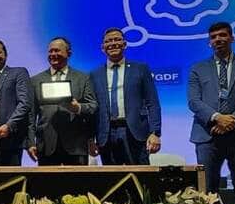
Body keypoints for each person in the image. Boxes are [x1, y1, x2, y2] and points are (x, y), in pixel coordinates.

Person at [187, 22, 235, 204]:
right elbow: (194, 101)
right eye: (213, 37)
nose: (218, 39)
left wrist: (233, 120)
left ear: (232, 38)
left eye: (222, 35)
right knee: (207, 190)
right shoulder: (198, 68)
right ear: (209, 42)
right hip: (207, 134)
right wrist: (218, 118)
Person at [90, 28, 162, 165]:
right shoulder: (94, 74)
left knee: (140, 178)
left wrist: (155, 133)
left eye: (117, 39)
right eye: (108, 41)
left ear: (124, 44)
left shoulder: (140, 69)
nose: (113, 43)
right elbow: (93, 110)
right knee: (113, 181)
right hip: (106, 134)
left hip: (135, 132)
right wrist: (90, 139)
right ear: (103, 47)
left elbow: (153, 103)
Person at [27, 37, 98, 166]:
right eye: (50, 51)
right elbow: (31, 115)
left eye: (57, 51)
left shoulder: (83, 78)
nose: (53, 54)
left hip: (76, 145)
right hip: (46, 145)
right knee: (47, 186)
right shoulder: (35, 80)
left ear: (68, 53)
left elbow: (93, 106)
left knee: (77, 185)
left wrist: (77, 108)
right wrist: (31, 142)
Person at [0, 38, 32, 166]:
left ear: (5, 55)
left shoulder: (18, 73)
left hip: (11, 141)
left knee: (10, 184)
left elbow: (25, 103)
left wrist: (9, 126)